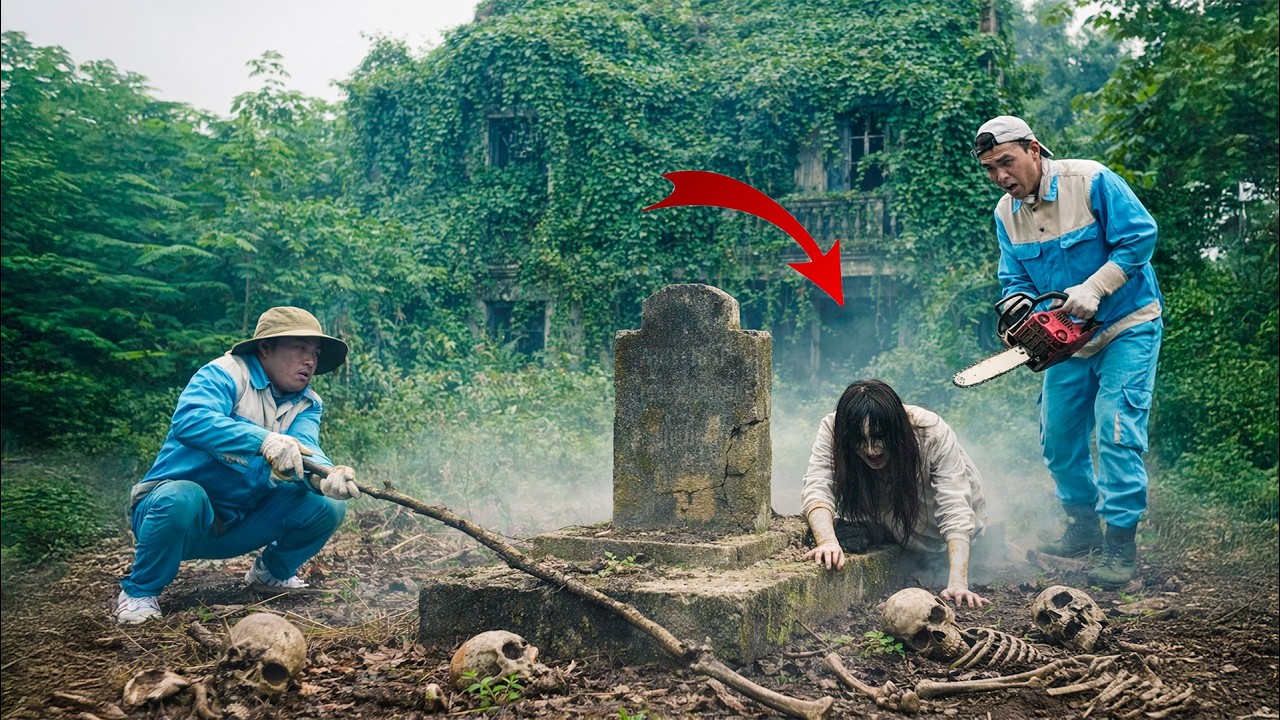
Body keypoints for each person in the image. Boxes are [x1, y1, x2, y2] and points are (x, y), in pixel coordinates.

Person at [971, 115, 1163, 589]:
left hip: (1126, 325)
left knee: (1117, 429)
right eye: (991, 169)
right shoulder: (1005, 213)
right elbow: (1014, 277)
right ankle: (1082, 527)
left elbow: (1140, 236)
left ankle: (1120, 546)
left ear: (1033, 150)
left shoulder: (1091, 181)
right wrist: (1018, 308)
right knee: (1057, 437)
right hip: (1067, 340)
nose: (1001, 176)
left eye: (1006, 162)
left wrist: (1096, 287)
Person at [114, 306, 362, 625]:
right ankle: (138, 593)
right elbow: (190, 420)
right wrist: (264, 440)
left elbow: (307, 449)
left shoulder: (308, 403)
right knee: (182, 496)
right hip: (175, 521)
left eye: (314, 352)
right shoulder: (226, 374)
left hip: (239, 524)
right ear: (265, 348)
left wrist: (327, 476)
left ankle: (270, 575)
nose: (310, 361)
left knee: (326, 505)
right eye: (300, 348)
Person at [801, 379, 991, 607]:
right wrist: (828, 541)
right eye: (860, 440)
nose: (871, 450)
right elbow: (818, 484)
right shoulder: (833, 428)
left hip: (938, 532)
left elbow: (955, 508)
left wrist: (958, 583)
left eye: (879, 437)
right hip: (893, 521)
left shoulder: (931, 432)